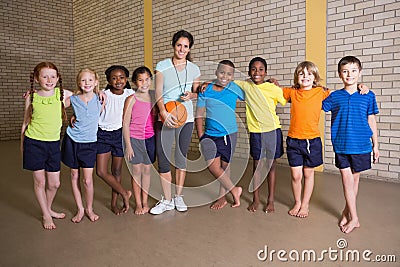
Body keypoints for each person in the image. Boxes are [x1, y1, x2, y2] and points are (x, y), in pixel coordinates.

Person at [322, 56, 379, 234]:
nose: (350, 74)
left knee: (354, 181)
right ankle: (354, 218)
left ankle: (347, 212)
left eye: (354, 71)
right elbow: (318, 103)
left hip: (362, 145)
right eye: (345, 71)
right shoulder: (334, 96)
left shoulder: (368, 95)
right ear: (340, 74)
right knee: (347, 181)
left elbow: (372, 120)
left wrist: (376, 145)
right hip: (341, 145)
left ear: (359, 72)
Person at [150, 30, 201, 215]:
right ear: (174, 45)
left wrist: (192, 94)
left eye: (185, 46)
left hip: (185, 118)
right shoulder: (162, 65)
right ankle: (167, 199)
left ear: (189, 49)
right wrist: (163, 111)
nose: (182, 49)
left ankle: (178, 196)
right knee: (163, 158)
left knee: (180, 157)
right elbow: (158, 91)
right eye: (179, 45)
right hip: (166, 116)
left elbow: (197, 92)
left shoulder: (194, 69)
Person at [21, 62, 73, 229]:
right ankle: (45, 214)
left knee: (54, 183)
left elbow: (85, 94)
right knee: (40, 182)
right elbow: (25, 122)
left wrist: (103, 94)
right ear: (37, 79)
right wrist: (22, 146)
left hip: (52, 144)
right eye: (44, 76)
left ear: (58, 78)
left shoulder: (62, 95)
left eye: (53, 76)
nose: (49, 80)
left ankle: (48, 208)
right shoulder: (32, 97)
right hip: (33, 143)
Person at [234, 57, 287, 213]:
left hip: (273, 131)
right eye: (253, 69)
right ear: (249, 72)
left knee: (271, 167)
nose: (257, 72)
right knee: (257, 167)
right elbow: (225, 81)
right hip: (256, 133)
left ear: (266, 72)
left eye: (261, 69)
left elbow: (289, 98)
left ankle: (270, 200)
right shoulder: (244, 85)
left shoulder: (273, 88)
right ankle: (256, 199)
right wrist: (204, 85)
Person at [282, 61, 330, 218]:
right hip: (293, 140)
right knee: (296, 175)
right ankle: (297, 202)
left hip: (312, 140)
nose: (305, 76)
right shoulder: (292, 93)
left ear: (315, 77)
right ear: (297, 77)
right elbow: (272, 91)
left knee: (308, 174)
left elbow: (342, 94)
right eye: (301, 73)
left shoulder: (321, 92)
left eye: (309, 73)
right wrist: (272, 82)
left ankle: (305, 204)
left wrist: (361, 87)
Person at [195, 60, 243, 209]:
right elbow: (199, 114)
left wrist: (270, 82)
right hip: (210, 134)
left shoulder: (235, 88)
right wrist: (201, 134)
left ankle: (221, 197)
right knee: (213, 166)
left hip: (228, 134)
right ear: (216, 73)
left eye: (229, 74)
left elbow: (254, 87)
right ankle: (235, 190)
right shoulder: (206, 89)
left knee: (224, 166)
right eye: (222, 72)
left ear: (233, 76)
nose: (225, 76)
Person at [61, 68, 104, 223]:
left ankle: (89, 209)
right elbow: (54, 98)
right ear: (79, 83)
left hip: (89, 143)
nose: (87, 83)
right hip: (72, 140)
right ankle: (80, 209)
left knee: (87, 180)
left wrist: (103, 91)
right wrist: (31, 96)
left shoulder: (101, 98)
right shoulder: (73, 99)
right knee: (74, 175)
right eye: (83, 80)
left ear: (96, 82)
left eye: (90, 80)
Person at [96, 65, 133, 214]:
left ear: (126, 79)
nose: (118, 80)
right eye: (114, 78)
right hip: (103, 134)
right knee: (101, 171)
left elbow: (150, 94)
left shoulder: (131, 94)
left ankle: (114, 203)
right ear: (109, 81)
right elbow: (88, 106)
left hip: (120, 135)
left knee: (116, 171)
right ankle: (125, 192)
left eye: (122, 77)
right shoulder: (103, 94)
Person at [123, 66, 157, 215]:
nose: (144, 83)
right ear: (135, 82)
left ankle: (145, 201)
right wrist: (128, 146)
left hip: (150, 139)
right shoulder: (131, 99)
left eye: (147, 79)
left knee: (147, 170)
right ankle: (137, 203)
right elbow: (125, 124)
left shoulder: (154, 98)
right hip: (135, 139)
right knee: (136, 171)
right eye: (140, 80)